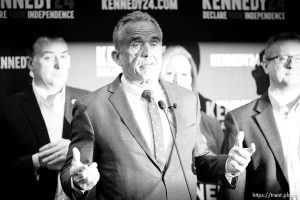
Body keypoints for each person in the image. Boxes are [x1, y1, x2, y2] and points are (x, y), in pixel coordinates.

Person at [60, 11, 255, 200]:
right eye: (136, 44)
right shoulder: (91, 107)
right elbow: (72, 171)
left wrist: (227, 166)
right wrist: (77, 181)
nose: (147, 53)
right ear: (117, 57)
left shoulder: (188, 100)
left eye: (153, 43)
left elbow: (199, 160)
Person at [0, 36, 89, 200]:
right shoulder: (6, 109)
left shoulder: (91, 101)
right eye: (48, 57)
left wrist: (75, 151)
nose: (58, 65)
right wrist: (37, 161)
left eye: (63, 56)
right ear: (31, 63)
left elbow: (110, 158)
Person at [220, 32, 300, 200]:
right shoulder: (240, 120)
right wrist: (231, 171)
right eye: (283, 58)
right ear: (265, 65)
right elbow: (231, 194)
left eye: (298, 58)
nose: (292, 64)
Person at [160, 45, 225, 200]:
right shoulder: (151, 121)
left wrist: (229, 164)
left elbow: (215, 168)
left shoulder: (211, 124)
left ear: (191, 80)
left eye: (183, 74)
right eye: (170, 73)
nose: (176, 80)